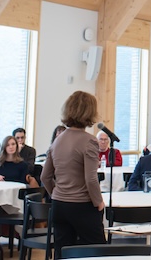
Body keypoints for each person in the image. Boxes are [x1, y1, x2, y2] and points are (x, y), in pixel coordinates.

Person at [40, 91, 105, 254]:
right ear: (90, 112)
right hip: (82, 205)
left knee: (63, 252)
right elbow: (91, 179)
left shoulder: (58, 140)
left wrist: (56, 193)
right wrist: (98, 202)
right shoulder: (89, 140)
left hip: (59, 206)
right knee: (98, 252)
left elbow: (45, 176)